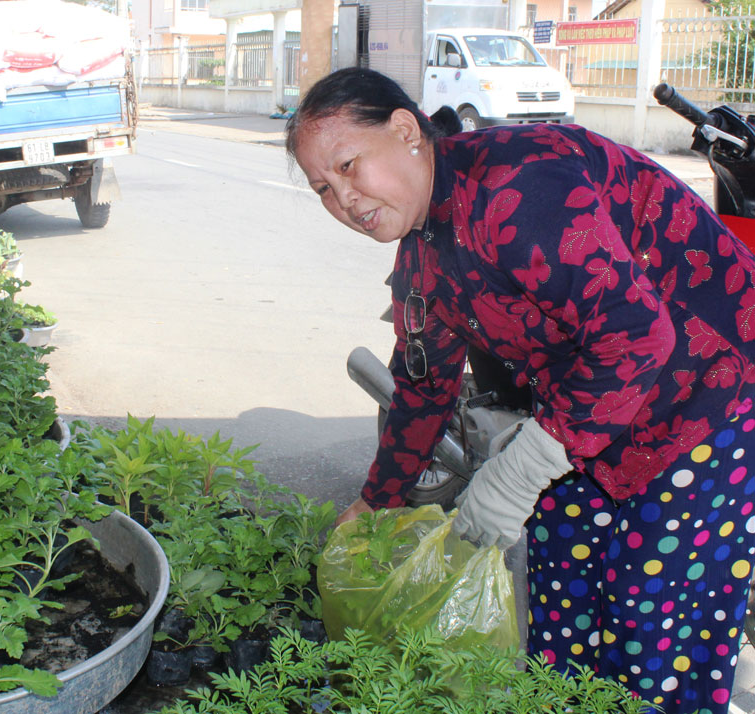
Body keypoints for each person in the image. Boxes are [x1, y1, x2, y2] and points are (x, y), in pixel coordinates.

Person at [287, 66, 755, 714]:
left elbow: (639, 338)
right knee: (562, 598)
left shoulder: (518, 186)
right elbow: (423, 389)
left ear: (404, 132)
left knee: (654, 624)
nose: (344, 199)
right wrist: (376, 503)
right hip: (586, 416)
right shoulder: (423, 259)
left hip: (703, 398)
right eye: (322, 188)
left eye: (347, 165)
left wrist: (517, 473)